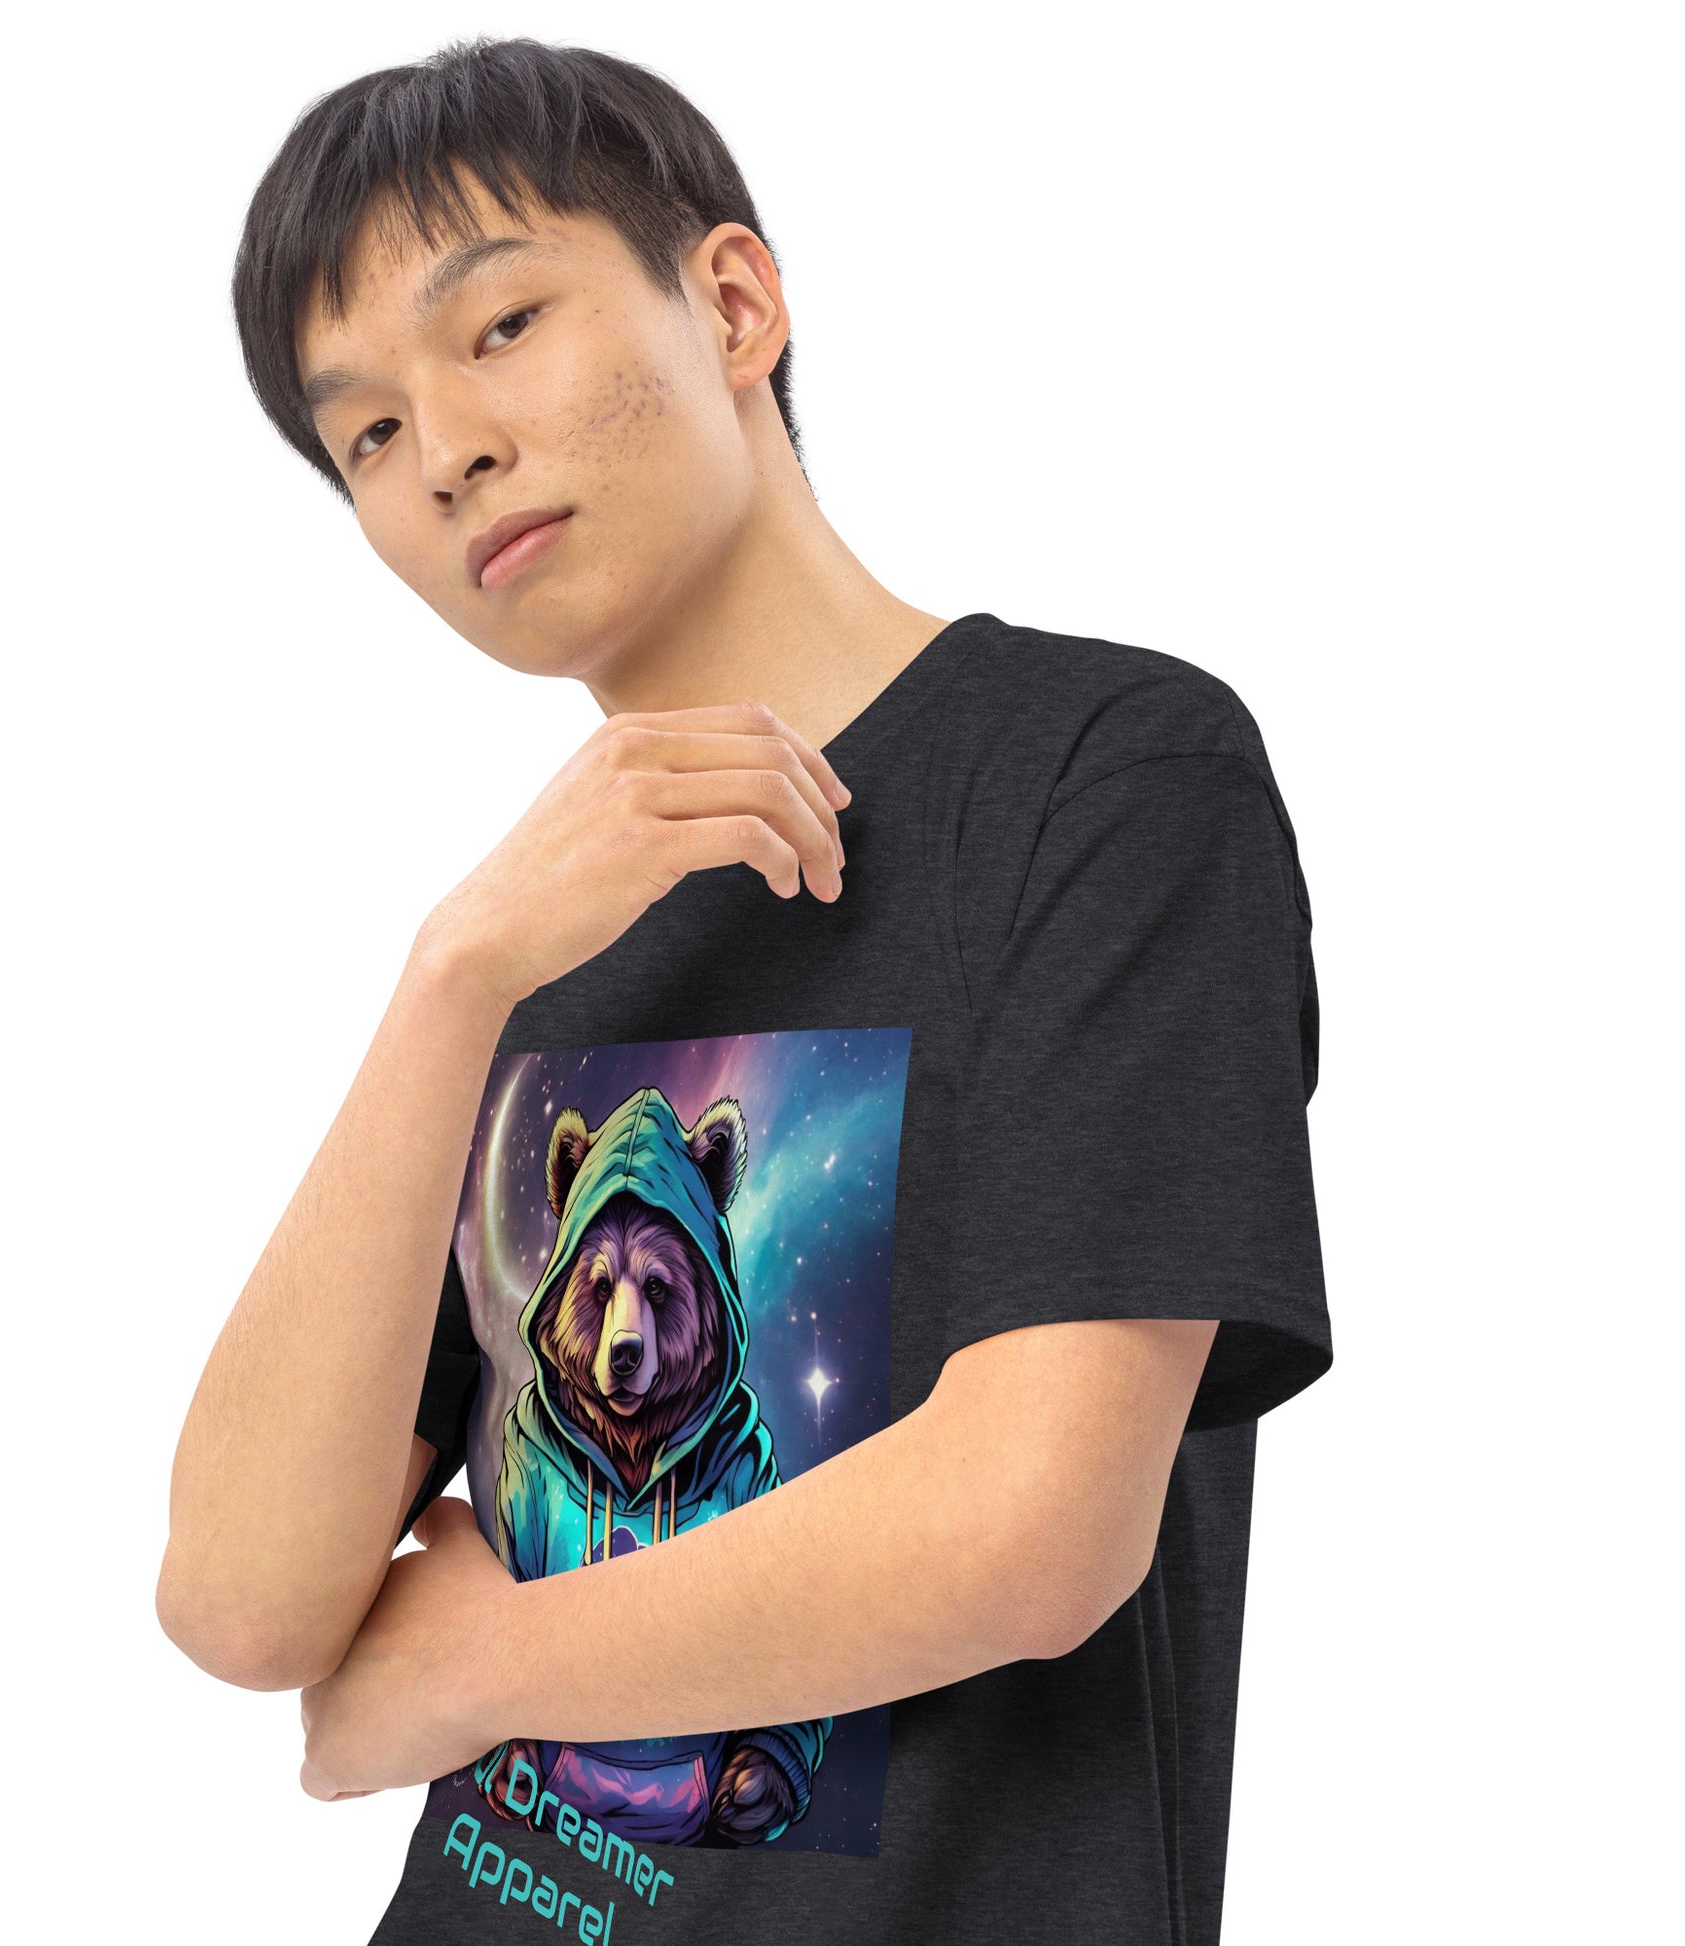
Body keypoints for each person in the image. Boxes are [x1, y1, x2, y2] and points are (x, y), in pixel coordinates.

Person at [157, 33, 1331, 1945]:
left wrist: (466, 1668)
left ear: (729, 304)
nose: (443, 451)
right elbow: (239, 1598)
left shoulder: (1102, 776)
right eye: (362, 434)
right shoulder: (534, 935)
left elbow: (1032, 1525)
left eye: (501, 326)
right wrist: (451, 977)